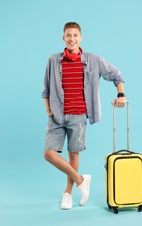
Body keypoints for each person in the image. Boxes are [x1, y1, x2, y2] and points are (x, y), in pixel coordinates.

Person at [42, 22, 126, 210]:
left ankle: (68, 194)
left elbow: (116, 75)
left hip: (79, 115)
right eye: (68, 35)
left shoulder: (93, 60)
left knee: (73, 154)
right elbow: (45, 89)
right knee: (49, 154)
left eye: (75, 35)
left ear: (80, 38)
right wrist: (48, 109)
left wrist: (121, 94)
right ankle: (81, 180)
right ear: (63, 38)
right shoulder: (53, 60)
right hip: (57, 116)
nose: (72, 38)